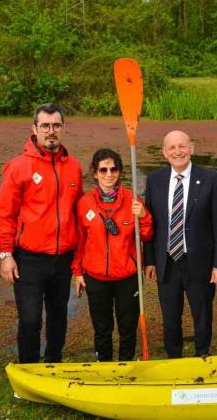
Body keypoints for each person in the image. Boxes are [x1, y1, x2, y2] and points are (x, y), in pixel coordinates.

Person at [0, 103, 83, 363]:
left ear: (63, 129)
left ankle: (53, 363)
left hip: (62, 258)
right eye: (45, 126)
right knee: (31, 318)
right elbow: (6, 213)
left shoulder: (74, 167)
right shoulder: (18, 166)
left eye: (56, 125)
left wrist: (79, 258)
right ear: (34, 129)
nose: (51, 131)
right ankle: (29, 369)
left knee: (58, 315)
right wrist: (5, 254)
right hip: (29, 258)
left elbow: (78, 213)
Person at [143, 130, 217, 358]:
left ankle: (202, 356)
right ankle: (174, 358)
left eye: (182, 146)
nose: (177, 151)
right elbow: (150, 224)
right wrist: (149, 260)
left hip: (199, 262)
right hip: (167, 262)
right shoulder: (155, 180)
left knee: (202, 315)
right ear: (164, 152)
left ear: (192, 148)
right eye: (172, 147)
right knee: (170, 318)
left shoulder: (210, 178)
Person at [72, 148, 153, 361]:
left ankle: (126, 364)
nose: (109, 174)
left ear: (120, 172)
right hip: (96, 277)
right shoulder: (84, 203)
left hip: (127, 277)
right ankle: (104, 364)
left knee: (127, 327)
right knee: (102, 327)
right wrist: (78, 272)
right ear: (95, 172)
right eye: (103, 169)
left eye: (113, 169)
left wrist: (143, 216)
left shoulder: (132, 200)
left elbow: (146, 235)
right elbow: (80, 242)